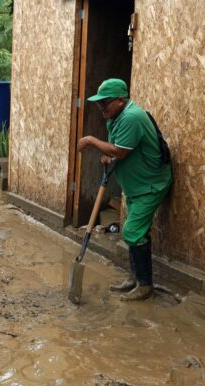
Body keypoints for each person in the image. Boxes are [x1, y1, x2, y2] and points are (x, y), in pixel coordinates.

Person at [77, 78, 172, 301]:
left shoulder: (131, 117)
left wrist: (91, 140)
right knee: (134, 232)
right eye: (99, 104)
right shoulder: (117, 116)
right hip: (135, 184)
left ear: (121, 100)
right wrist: (107, 155)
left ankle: (145, 286)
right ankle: (135, 278)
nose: (101, 108)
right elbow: (117, 148)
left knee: (131, 232)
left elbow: (120, 151)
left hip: (150, 184)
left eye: (106, 103)